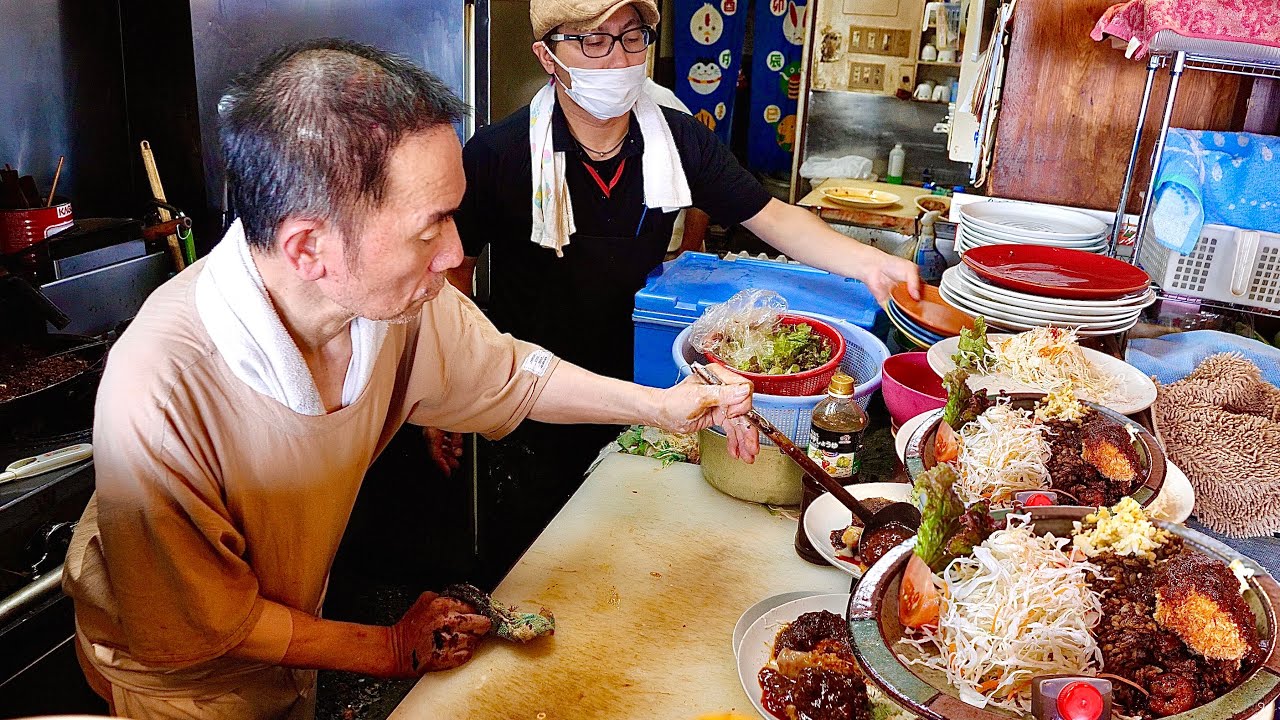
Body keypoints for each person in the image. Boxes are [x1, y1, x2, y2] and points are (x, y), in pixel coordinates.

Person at [61, 38, 758, 719]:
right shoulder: (161, 386)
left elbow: (513, 374)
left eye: (453, 215)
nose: (455, 252)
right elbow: (216, 622)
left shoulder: (388, 306)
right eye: (429, 229)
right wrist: (389, 647)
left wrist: (664, 407)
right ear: (310, 246)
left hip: (292, 634)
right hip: (184, 679)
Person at [434, 0, 922, 554]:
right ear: (547, 57)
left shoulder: (675, 140)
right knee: (531, 545)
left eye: (632, 37)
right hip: (533, 387)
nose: (618, 58)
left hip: (643, 378)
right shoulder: (499, 152)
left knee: (624, 530)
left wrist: (868, 263)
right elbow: (455, 271)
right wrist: (452, 379)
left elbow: (771, 216)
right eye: (594, 41)